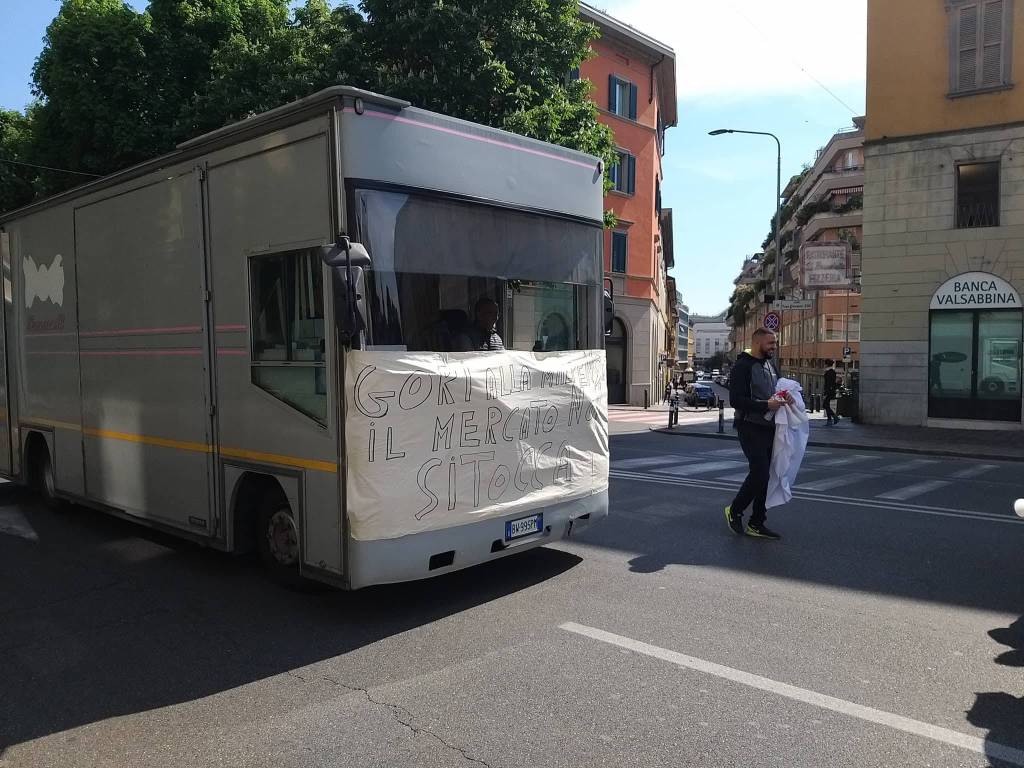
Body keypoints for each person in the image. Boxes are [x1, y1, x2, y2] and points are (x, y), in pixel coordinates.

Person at [724, 328, 790, 540]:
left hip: (770, 427)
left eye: (775, 342)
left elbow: (777, 389)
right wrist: (766, 405)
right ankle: (735, 510)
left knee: (767, 475)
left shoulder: (770, 365)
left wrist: (785, 397)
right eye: (770, 343)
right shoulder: (742, 366)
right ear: (758, 342)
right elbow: (735, 400)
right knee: (760, 471)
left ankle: (757, 523)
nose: (774, 346)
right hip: (749, 426)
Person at [823, 359, 839, 425]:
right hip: (830, 390)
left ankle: (834, 417)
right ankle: (830, 420)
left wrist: (826, 392)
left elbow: (829, 383)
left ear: (827, 364)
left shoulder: (829, 372)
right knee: (826, 405)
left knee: (825, 405)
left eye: (825, 364)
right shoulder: (831, 371)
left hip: (829, 391)